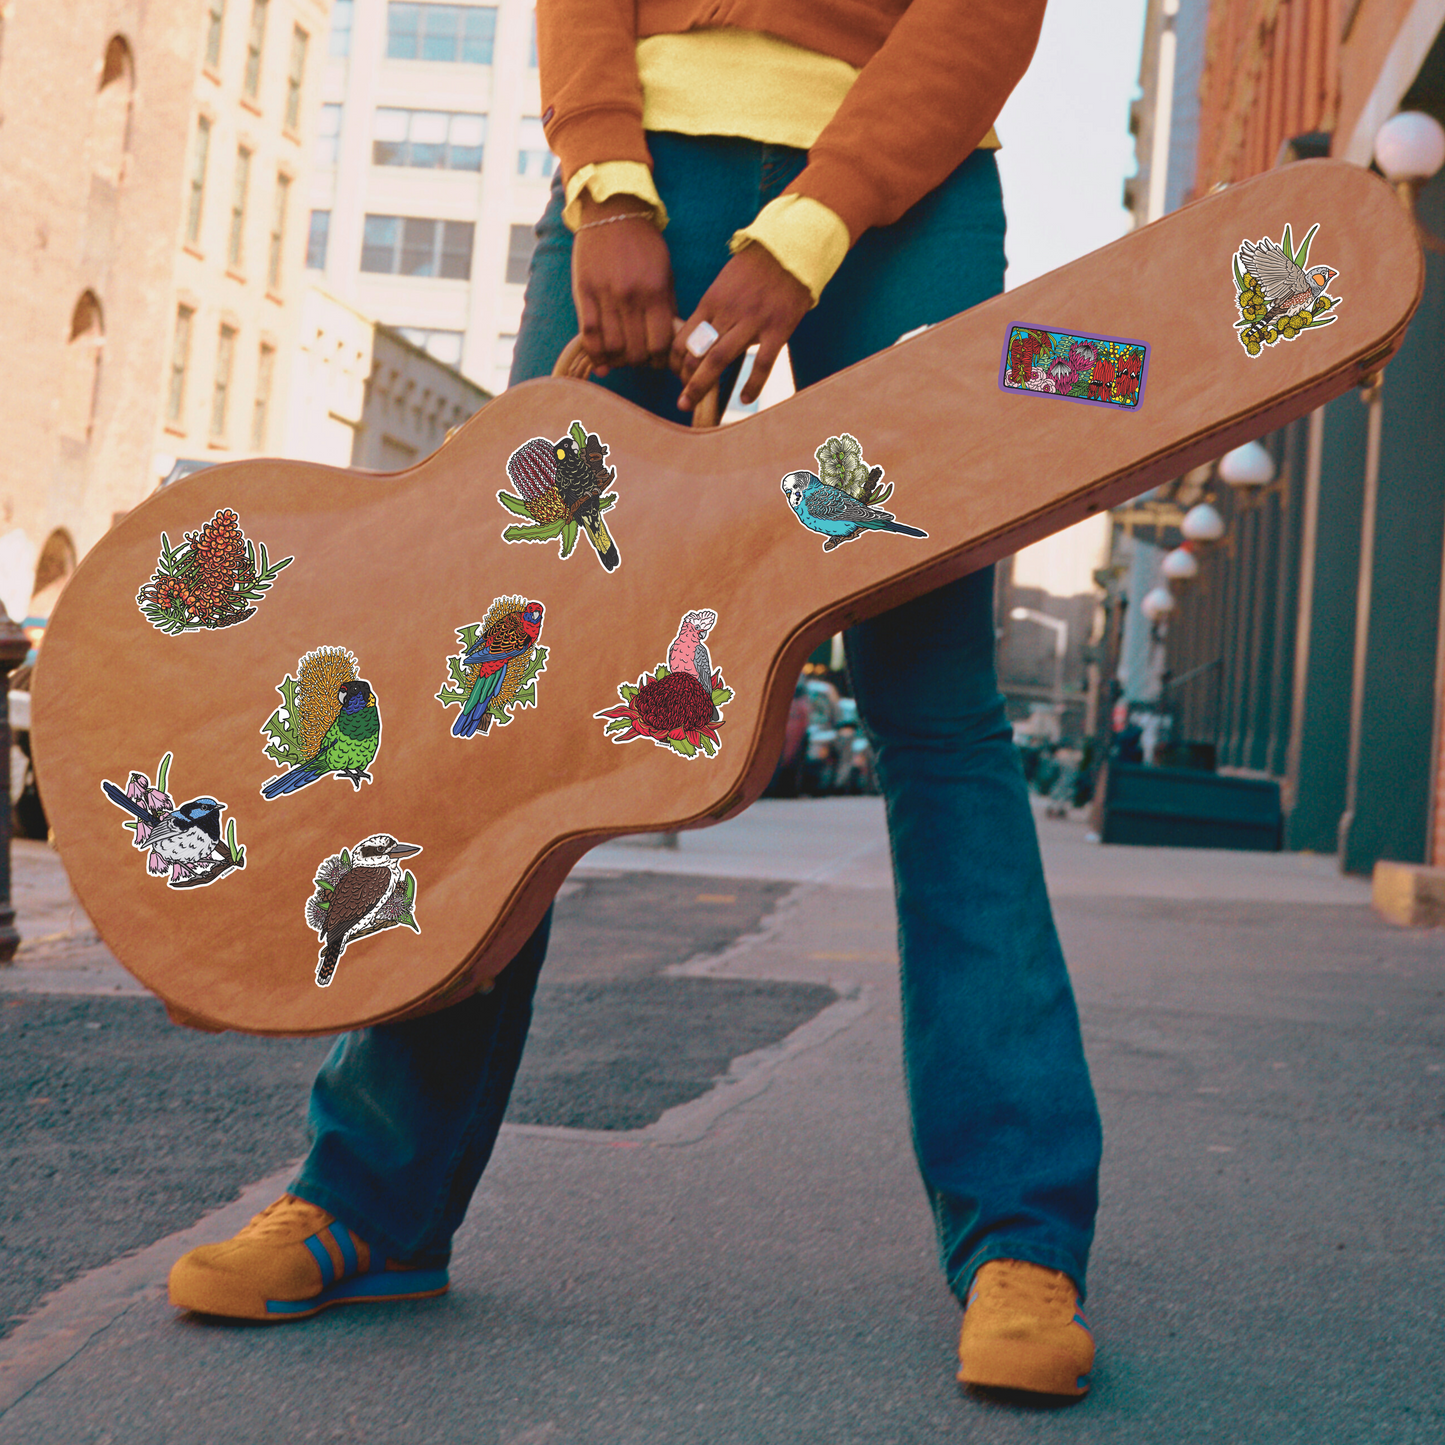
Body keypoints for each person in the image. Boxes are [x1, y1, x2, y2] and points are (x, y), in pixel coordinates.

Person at [169, 0, 1104, 1401]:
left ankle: (1022, 1237)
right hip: (646, 177)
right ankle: (369, 1201)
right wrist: (604, 174)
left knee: (935, 705)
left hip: (907, 184)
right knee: (512, 703)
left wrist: (813, 224)